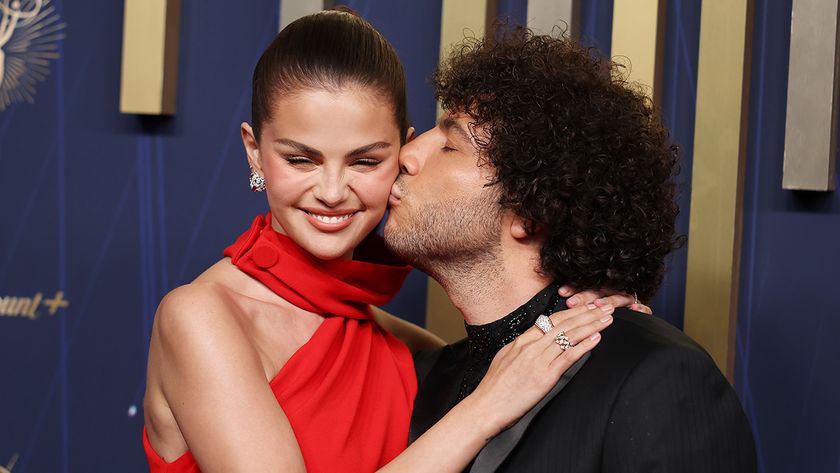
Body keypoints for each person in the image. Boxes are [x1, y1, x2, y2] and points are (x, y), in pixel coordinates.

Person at [142, 10, 639, 473]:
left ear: (402, 152)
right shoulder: (200, 317)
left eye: (365, 161)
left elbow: (513, 362)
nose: (333, 193)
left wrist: (584, 313)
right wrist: (487, 407)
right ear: (255, 151)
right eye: (301, 160)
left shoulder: (404, 347)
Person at [385, 28, 757, 472]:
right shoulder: (425, 379)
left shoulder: (654, 377)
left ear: (530, 209)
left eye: (450, 145)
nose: (407, 155)